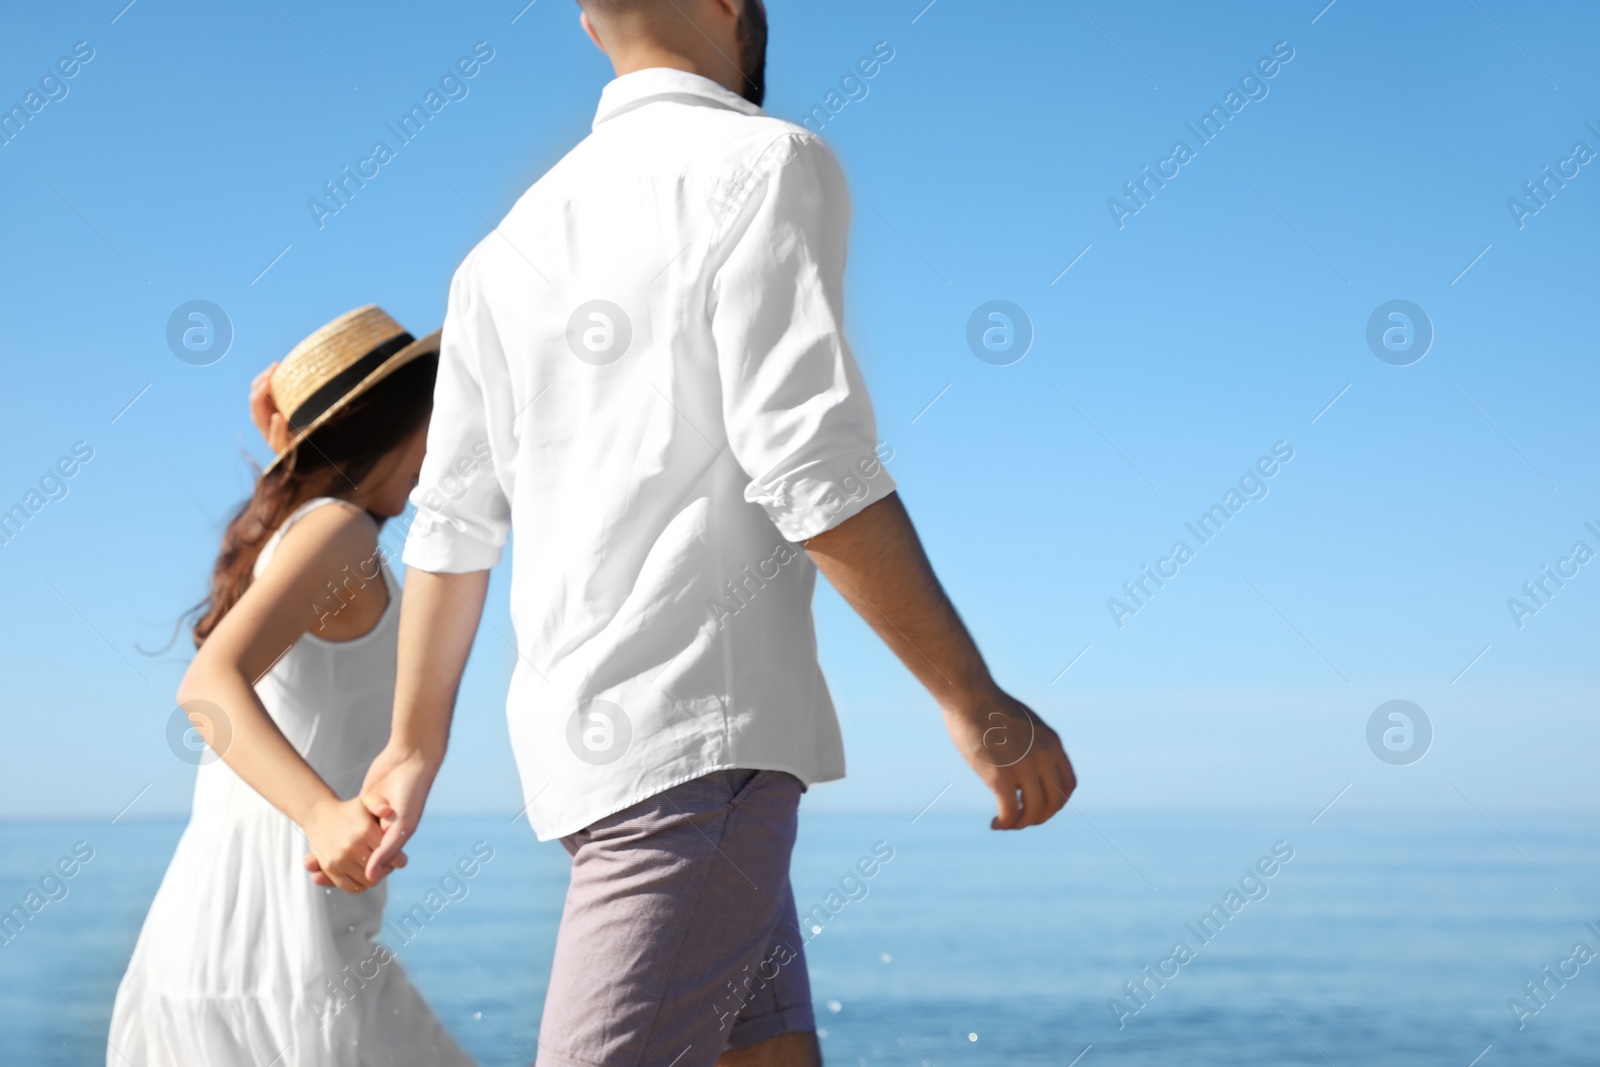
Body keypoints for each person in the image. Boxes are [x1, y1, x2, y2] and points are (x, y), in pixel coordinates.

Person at [335, 2, 1077, 1064]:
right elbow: (807, 462)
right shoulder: (765, 160)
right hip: (696, 750)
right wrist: (973, 698)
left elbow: (451, 526)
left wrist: (412, 745)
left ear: (590, 28)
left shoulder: (498, 255)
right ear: (733, 7)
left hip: (595, 755)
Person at [108, 307, 472, 1066]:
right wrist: (321, 813)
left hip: (227, 948)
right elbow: (208, 683)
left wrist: (290, 439)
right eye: (441, 415)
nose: (446, 447)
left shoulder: (314, 528)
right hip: (284, 959)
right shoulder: (336, 531)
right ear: (391, 418)